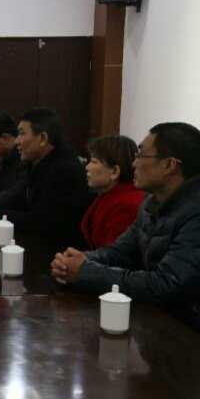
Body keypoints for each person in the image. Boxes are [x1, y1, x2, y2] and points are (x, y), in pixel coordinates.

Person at [52, 123, 200, 328]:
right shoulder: (151, 202)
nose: (134, 163)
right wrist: (77, 261)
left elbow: (166, 285)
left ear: (169, 165)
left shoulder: (195, 212)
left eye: (141, 155)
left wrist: (86, 272)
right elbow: (120, 252)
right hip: (155, 319)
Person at [0, 108, 93, 249]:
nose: (17, 141)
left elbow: (41, 220)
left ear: (43, 138)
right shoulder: (36, 162)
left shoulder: (63, 169)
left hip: (59, 252)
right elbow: (17, 198)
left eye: (22, 134)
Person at [80, 135, 145, 249]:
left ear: (114, 171)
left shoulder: (126, 205)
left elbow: (116, 253)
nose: (87, 167)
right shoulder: (108, 194)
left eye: (94, 161)